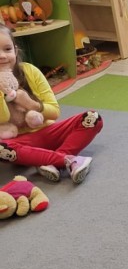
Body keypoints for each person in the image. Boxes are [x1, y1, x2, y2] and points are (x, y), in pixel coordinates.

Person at [0, 25, 103, 184]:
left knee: (93, 117)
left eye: (7, 49)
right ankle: (68, 160)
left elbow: (54, 112)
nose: (2, 56)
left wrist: (31, 104)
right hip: (19, 143)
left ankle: (51, 161)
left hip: (47, 131)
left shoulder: (30, 71)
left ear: (15, 50)